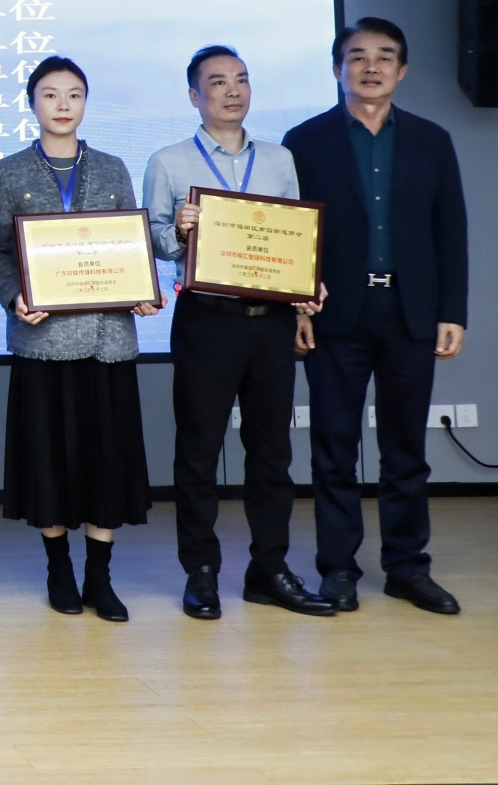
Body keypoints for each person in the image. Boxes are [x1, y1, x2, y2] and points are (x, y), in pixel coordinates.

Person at [283, 18, 468, 615]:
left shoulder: (432, 140)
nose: (371, 66)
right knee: (334, 448)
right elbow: (292, 233)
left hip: (411, 312)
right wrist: (298, 306)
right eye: (357, 56)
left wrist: (452, 311)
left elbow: (451, 229)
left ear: (402, 70)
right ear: (338, 68)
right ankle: (338, 569)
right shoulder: (304, 141)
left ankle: (407, 568)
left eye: (384, 56)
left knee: (405, 449)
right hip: (334, 313)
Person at [144, 46, 334, 620]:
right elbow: (153, 241)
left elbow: (295, 240)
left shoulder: (279, 159)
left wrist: (305, 298)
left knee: (272, 452)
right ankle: (200, 571)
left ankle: (268, 570)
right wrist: (178, 231)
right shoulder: (168, 161)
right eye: (218, 82)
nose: (233, 91)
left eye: (241, 80)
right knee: (198, 451)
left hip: (270, 323)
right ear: (194, 95)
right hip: (206, 319)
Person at [0, 57, 160, 622]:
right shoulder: (8, 172)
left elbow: (131, 244)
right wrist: (14, 294)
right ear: (31, 103)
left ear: (86, 102)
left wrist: (142, 288)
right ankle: (58, 569)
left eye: (74, 94)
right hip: (42, 342)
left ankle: (99, 578)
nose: (62, 105)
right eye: (50, 94)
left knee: (107, 462)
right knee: (50, 462)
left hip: (108, 341)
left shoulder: (112, 168)